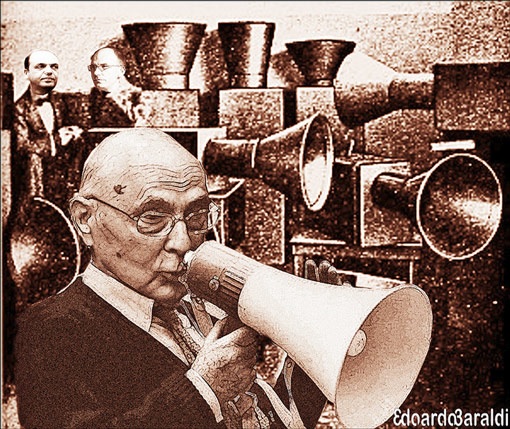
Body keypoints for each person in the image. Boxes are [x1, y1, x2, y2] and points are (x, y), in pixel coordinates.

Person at [14, 128, 326, 429]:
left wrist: (314, 357)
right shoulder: (49, 329)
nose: (184, 242)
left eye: (197, 217)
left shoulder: (195, 308)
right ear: (85, 219)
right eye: (152, 218)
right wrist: (204, 392)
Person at [12, 49, 84, 211]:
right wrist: (57, 140)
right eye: (40, 66)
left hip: (64, 179)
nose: (49, 71)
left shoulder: (62, 103)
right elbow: (23, 146)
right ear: (27, 73)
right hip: (37, 182)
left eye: (54, 67)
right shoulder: (19, 109)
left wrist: (75, 133)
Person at [88, 46, 149, 127]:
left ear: (121, 71)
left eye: (104, 67)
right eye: (93, 67)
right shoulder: (89, 100)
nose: (96, 72)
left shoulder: (136, 99)